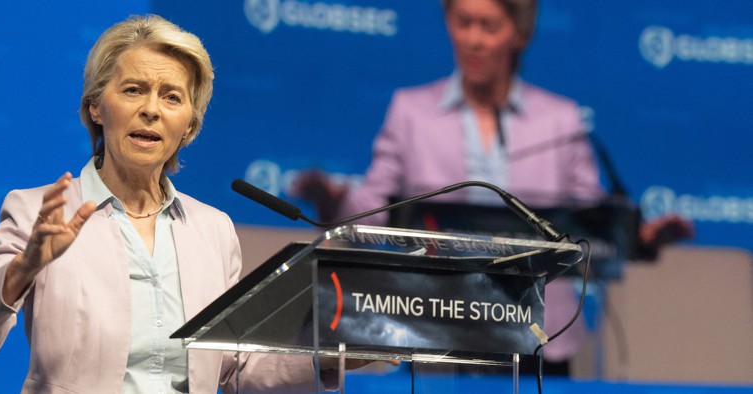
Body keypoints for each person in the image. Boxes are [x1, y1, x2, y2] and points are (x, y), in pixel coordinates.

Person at [0, 14, 360, 393]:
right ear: (96, 107)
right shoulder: (38, 211)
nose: (151, 110)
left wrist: (332, 358)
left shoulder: (212, 228)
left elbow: (234, 370)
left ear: (189, 126)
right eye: (133, 90)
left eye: (172, 97)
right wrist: (24, 268)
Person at [293, 0, 693, 375]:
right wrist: (331, 199)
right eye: (462, 22)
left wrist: (638, 238)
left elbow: (589, 223)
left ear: (519, 32)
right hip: (434, 326)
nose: (473, 39)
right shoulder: (410, 112)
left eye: (488, 25)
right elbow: (374, 212)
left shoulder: (560, 120)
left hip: (540, 336)